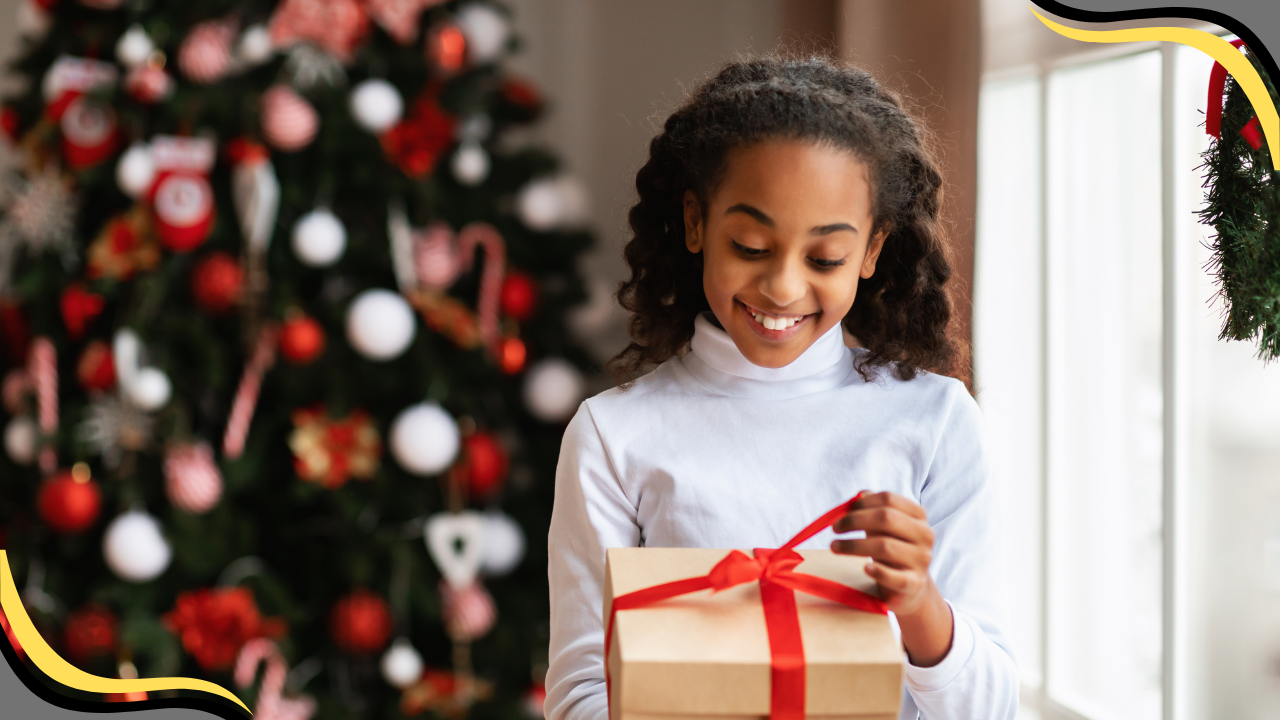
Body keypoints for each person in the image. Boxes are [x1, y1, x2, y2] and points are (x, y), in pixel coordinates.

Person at [545, 55, 1018, 720]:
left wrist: (919, 607)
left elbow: (989, 709)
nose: (784, 288)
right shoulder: (615, 435)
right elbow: (579, 699)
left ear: (873, 250)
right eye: (750, 244)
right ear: (696, 223)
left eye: (825, 258)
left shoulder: (935, 421)